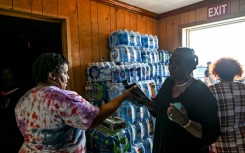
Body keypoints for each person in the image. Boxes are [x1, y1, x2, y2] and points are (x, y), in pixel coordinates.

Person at [14, 52, 136, 152]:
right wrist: (123, 96)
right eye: (65, 73)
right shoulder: (63, 98)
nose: (68, 77)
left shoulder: (23, 100)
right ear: (52, 75)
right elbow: (95, 119)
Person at [133, 47, 220, 153]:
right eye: (171, 61)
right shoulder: (168, 83)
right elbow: (159, 109)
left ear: (189, 66)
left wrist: (186, 122)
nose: (172, 66)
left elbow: (211, 133)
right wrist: (145, 101)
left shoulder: (201, 92)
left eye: (178, 62)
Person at [208, 57, 245, 153]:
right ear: (236, 71)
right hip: (243, 139)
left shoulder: (210, 90)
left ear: (217, 72)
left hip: (220, 142)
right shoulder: (243, 88)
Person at [0, 65, 24, 152]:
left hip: (18, 121)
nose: (6, 76)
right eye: (4, 74)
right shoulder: (1, 89)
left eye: (8, 73)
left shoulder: (19, 88)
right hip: (6, 123)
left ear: (12, 74)